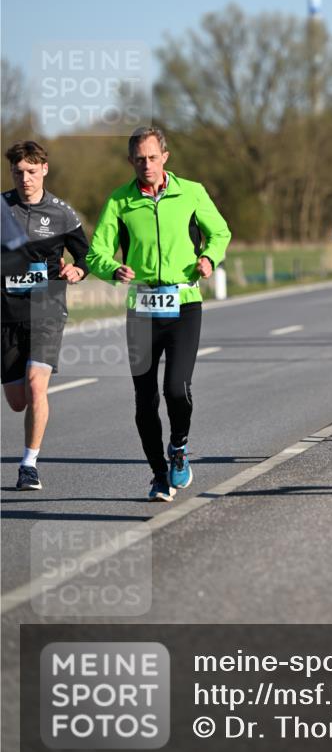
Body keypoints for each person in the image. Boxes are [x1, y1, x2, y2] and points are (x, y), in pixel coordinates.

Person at [86, 127, 231, 501]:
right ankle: (158, 475)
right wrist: (111, 269)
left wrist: (208, 258)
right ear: (130, 161)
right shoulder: (120, 201)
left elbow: (220, 233)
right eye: (139, 159)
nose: (146, 165)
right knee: (145, 398)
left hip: (184, 304)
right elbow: (95, 252)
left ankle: (179, 447)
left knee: (176, 390)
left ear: (165, 156)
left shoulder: (191, 192)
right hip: (141, 309)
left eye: (152, 157)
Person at [2, 140, 89, 491]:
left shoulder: (62, 213)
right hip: (7, 313)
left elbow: (87, 257)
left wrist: (78, 271)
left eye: (31, 172)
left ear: (44, 170)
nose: (25, 179)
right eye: (18, 172)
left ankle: (29, 464)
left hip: (47, 310)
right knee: (17, 400)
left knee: (38, 386)